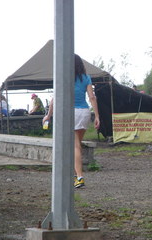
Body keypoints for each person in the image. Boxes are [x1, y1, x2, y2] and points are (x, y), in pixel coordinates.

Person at [43, 54, 100, 188]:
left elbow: (54, 99)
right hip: (84, 112)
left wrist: (48, 115)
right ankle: (76, 174)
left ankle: (80, 177)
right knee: (77, 145)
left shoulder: (63, 78)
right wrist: (97, 116)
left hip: (71, 113)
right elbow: (92, 97)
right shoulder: (86, 78)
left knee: (75, 146)